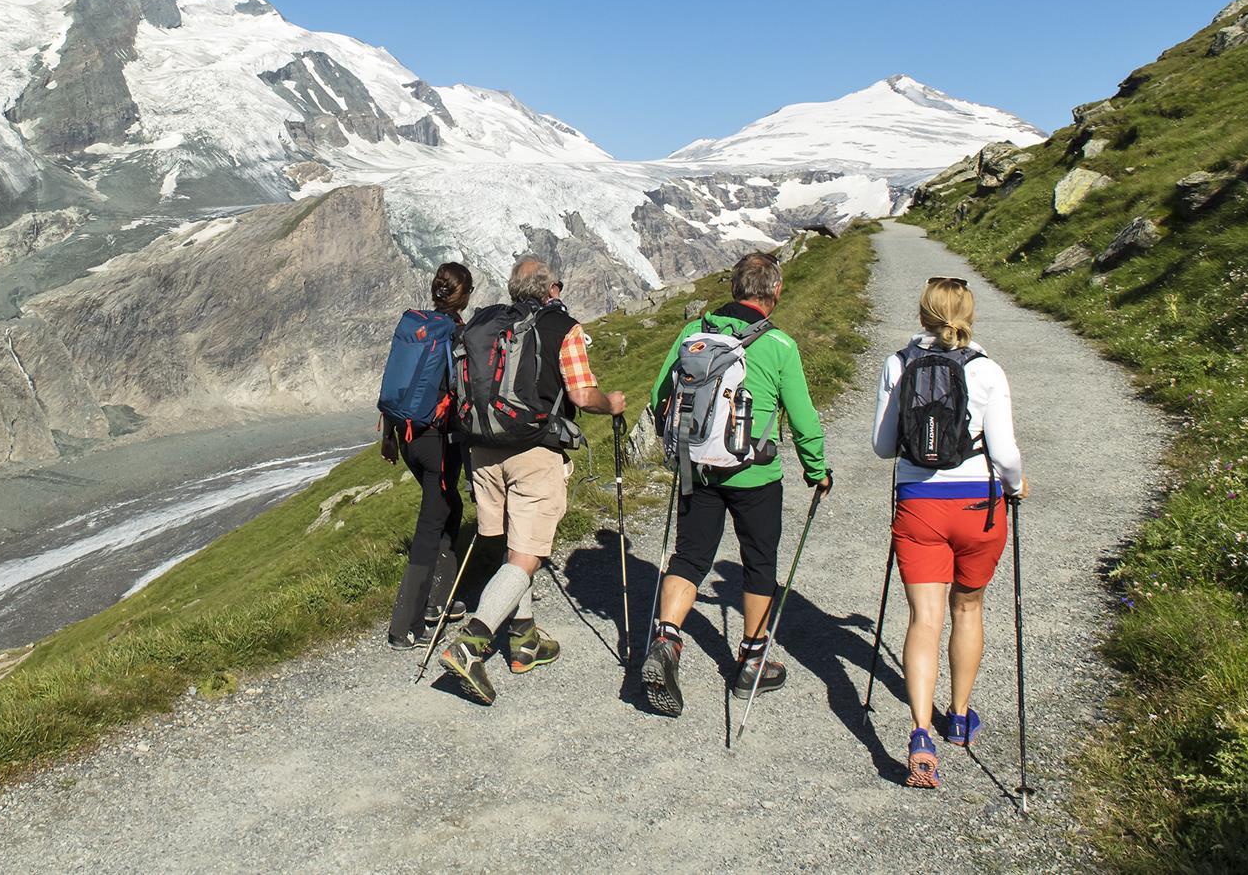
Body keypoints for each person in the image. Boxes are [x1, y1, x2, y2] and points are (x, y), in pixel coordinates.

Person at [639, 251, 831, 718]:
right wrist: (817, 470)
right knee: (758, 562)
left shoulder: (694, 332)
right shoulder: (779, 344)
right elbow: (803, 418)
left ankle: (666, 639)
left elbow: (659, 393)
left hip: (698, 467)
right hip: (754, 474)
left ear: (733, 288)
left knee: (689, 556)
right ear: (775, 292)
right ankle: (752, 661)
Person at [437, 256, 625, 704]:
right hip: (533, 451)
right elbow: (581, 394)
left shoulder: (488, 324)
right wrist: (612, 403)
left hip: (482, 450)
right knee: (527, 555)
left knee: (512, 544)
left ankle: (524, 640)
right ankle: (471, 644)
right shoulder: (563, 327)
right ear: (552, 289)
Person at [871, 275, 1026, 789]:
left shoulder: (898, 364)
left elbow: (883, 447)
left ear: (922, 315)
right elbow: (1005, 453)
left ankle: (920, 733)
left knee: (925, 618)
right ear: (970, 316)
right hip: (979, 506)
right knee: (968, 608)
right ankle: (958, 717)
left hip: (920, 506)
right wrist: (1016, 485)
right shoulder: (987, 370)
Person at [384, 262, 475, 649]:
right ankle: (405, 624)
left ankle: (440, 599)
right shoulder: (455, 334)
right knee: (430, 525)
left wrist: (388, 436)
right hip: (438, 440)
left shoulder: (416, 327)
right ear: (464, 295)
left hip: (408, 438)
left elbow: (395, 380)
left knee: (449, 507)